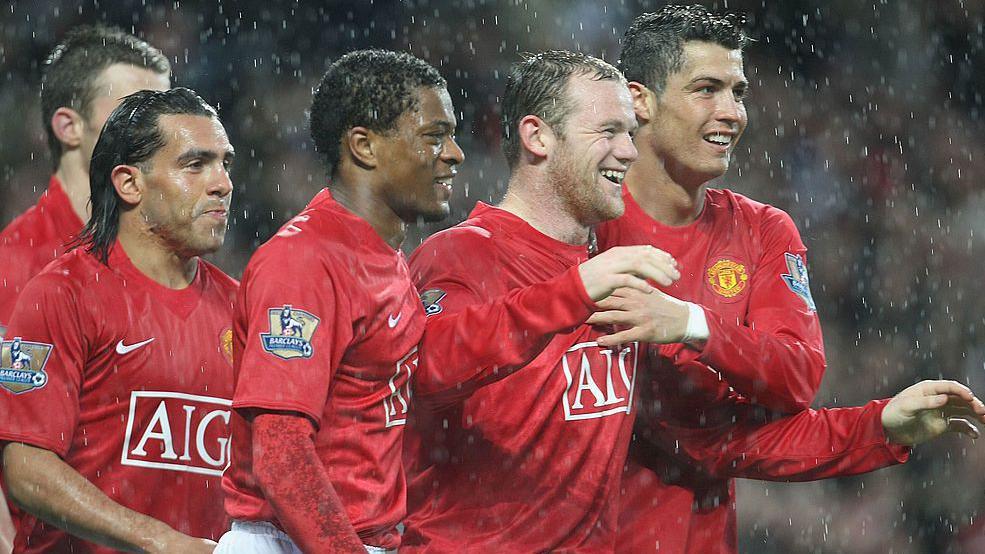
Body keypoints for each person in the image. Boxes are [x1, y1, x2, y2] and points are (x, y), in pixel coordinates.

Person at [402, 50, 985, 553]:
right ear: (537, 136)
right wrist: (572, 293)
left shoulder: (611, 278)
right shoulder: (461, 257)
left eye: (630, 133)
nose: (628, 152)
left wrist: (877, 427)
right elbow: (426, 370)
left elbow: (712, 441)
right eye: (608, 132)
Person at [217, 49, 677, 554]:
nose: (456, 153)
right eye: (434, 137)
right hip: (295, 540)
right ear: (365, 147)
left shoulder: (378, 256)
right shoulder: (304, 260)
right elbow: (281, 453)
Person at [588, 5, 976, 552]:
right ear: (640, 100)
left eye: (738, 92)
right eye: (706, 89)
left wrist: (692, 324)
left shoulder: (764, 231)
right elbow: (712, 441)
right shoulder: (582, 224)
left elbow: (795, 376)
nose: (731, 113)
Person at [0, 88, 236, 554]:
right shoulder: (62, 293)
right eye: (196, 165)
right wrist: (160, 542)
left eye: (225, 164)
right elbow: (26, 465)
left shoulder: (241, 305)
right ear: (129, 184)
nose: (222, 184)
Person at [0, 28, 169, 551]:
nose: (163, 130)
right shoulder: (13, 267)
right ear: (68, 127)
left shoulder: (179, 270)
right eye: (136, 111)